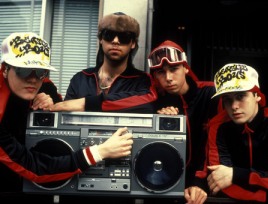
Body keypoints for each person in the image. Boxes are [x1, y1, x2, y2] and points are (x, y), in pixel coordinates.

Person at [0, 32, 133, 203]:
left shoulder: (44, 85)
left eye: (40, 71)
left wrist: (50, 103)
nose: (33, 79)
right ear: (5, 69)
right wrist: (100, 151)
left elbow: (60, 125)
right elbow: (33, 167)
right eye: (24, 70)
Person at [207, 63, 268, 204]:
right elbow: (219, 181)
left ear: (257, 95)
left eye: (241, 96)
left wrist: (236, 175)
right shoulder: (217, 126)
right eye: (227, 99)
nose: (234, 106)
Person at [148, 40, 221, 204]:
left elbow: (217, 144)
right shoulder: (156, 102)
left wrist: (200, 182)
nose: (168, 78)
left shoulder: (211, 94)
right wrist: (159, 122)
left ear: (186, 68)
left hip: (206, 184)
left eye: (174, 69)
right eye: (161, 72)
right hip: (165, 183)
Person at [50, 12, 157, 113]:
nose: (115, 41)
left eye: (124, 37)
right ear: (101, 39)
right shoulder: (80, 79)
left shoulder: (142, 81)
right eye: (109, 35)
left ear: (133, 43)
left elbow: (149, 104)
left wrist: (86, 104)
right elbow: (65, 116)